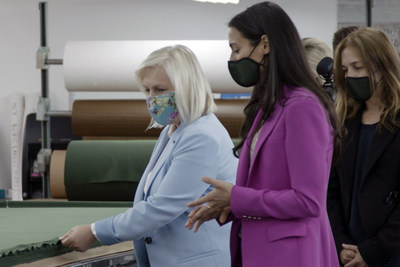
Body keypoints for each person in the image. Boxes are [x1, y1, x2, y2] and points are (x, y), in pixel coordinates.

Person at [185, 2, 340, 267]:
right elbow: (268, 188)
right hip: (261, 251)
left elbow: (307, 201)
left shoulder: (303, 106)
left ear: (265, 45)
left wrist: (236, 197)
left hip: (292, 256)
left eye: (236, 49)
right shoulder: (269, 106)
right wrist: (231, 206)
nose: (232, 59)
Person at [60, 45, 238, 267]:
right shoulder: (173, 130)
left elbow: (162, 207)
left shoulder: (201, 136)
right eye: (147, 90)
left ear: (187, 88)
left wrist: (95, 232)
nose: (152, 99)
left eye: (160, 90)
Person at [327, 27, 400, 267]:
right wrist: (340, 244)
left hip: (389, 252)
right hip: (347, 252)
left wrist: (372, 252)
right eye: (346, 70)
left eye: (358, 68)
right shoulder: (345, 121)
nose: (351, 76)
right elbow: (331, 190)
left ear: (382, 65)